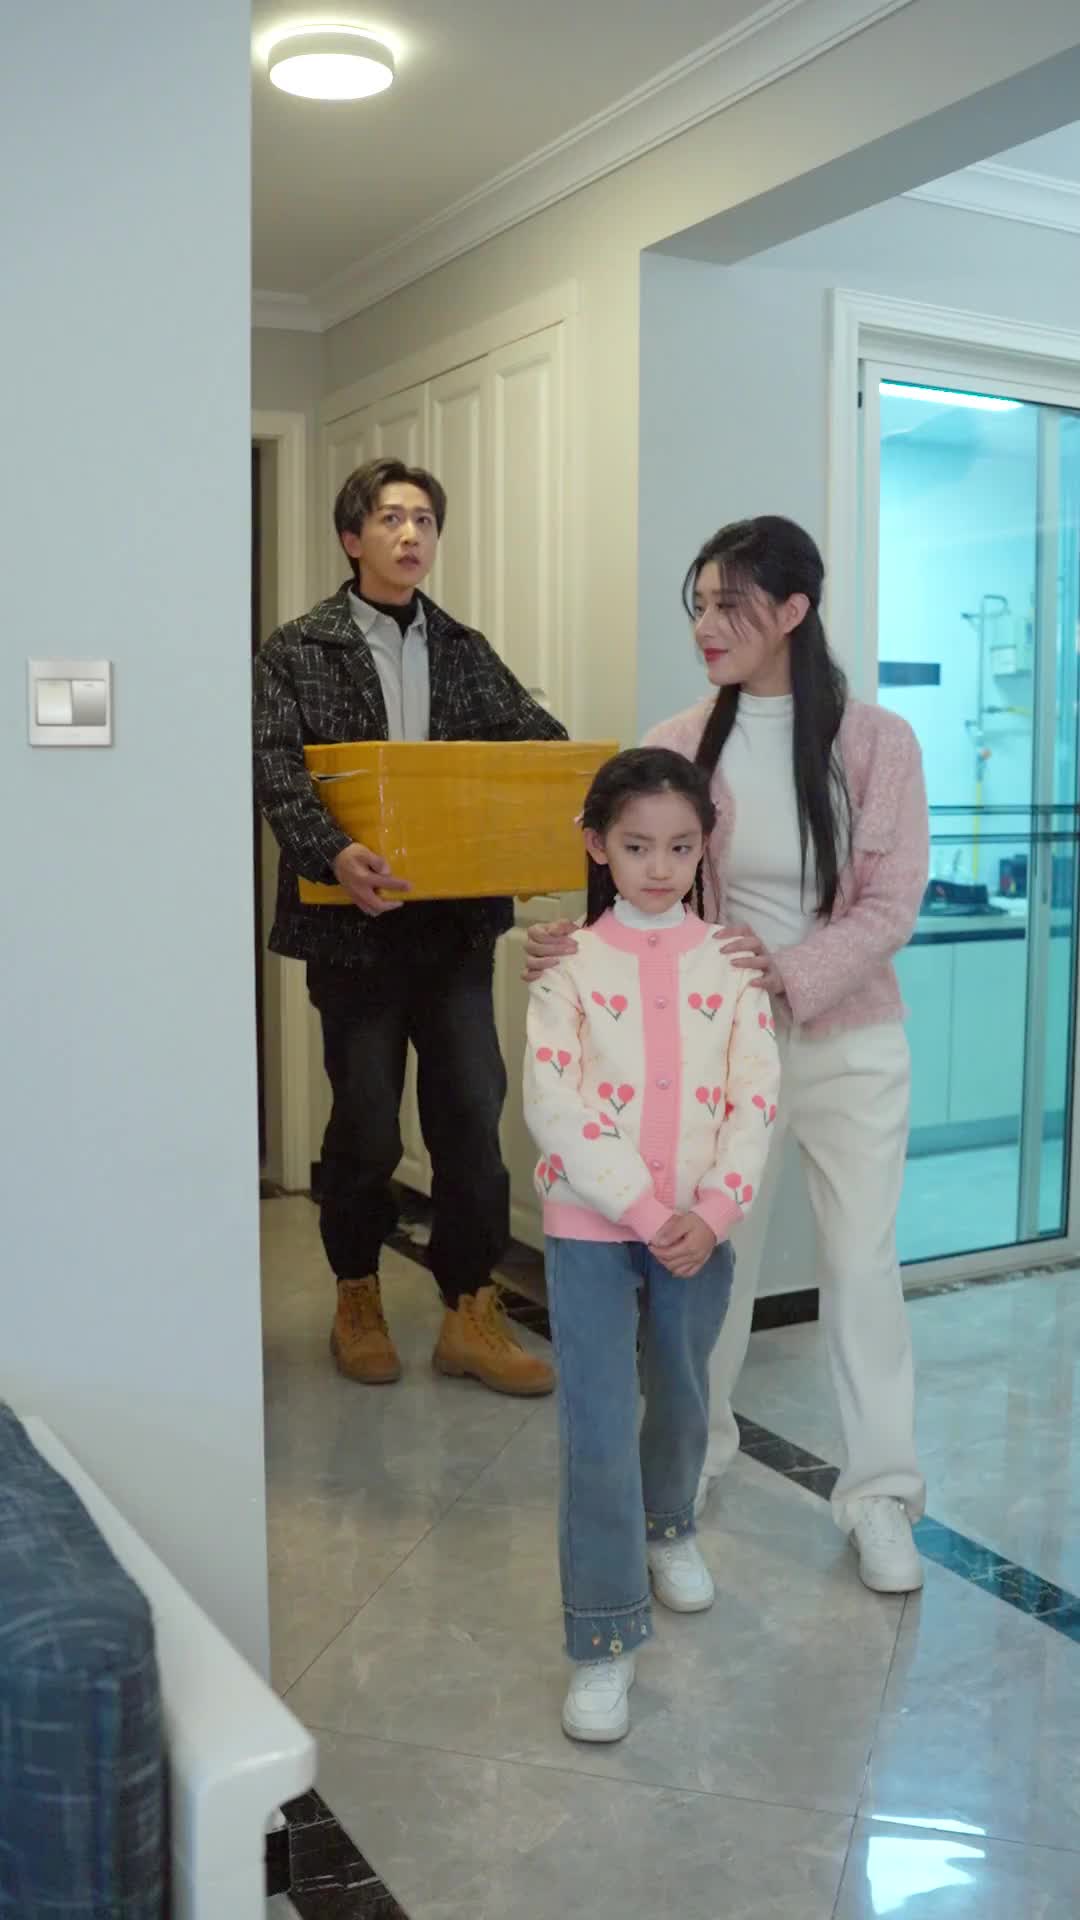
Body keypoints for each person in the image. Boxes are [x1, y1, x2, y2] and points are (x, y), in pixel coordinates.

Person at [526, 516, 929, 1594]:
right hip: (709, 1054)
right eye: (699, 603)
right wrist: (568, 948)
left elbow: (891, 904)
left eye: (730, 605)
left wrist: (786, 972)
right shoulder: (677, 735)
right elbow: (633, 879)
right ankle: (690, 1468)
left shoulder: (878, 743)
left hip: (851, 1039)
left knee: (861, 1268)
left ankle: (881, 1494)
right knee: (709, 1265)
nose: (706, 625)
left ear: (793, 611)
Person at [254, 456, 566, 1397]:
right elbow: (277, 769)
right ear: (352, 538)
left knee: (471, 1118)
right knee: (365, 1124)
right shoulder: (297, 648)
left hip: (455, 933)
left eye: (425, 520)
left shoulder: (464, 648)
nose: (410, 535)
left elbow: (540, 747)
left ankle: (470, 1308)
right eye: (391, 518)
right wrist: (333, 855)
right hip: (353, 937)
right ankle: (357, 1291)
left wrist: (525, 812)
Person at [524, 747, 780, 1743]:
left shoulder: (733, 964)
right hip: (592, 1226)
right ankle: (602, 1634)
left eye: (680, 846)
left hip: (699, 1230)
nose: (660, 867)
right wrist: (640, 1209)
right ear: (597, 846)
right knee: (594, 1427)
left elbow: (756, 1098)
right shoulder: (566, 965)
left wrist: (712, 1213)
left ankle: (669, 1526)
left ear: (705, 846)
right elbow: (554, 1102)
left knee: (681, 1392)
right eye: (636, 847)